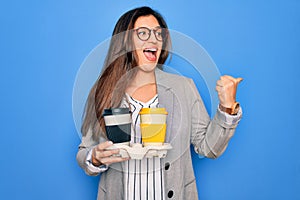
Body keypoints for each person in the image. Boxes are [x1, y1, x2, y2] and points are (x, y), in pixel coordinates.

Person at [76, 6, 242, 200]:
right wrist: (94, 157)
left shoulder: (183, 87)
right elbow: (84, 152)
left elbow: (208, 147)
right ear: (125, 42)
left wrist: (227, 107)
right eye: (143, 33)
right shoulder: (104, 91)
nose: (153, 39)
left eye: (158, 34)